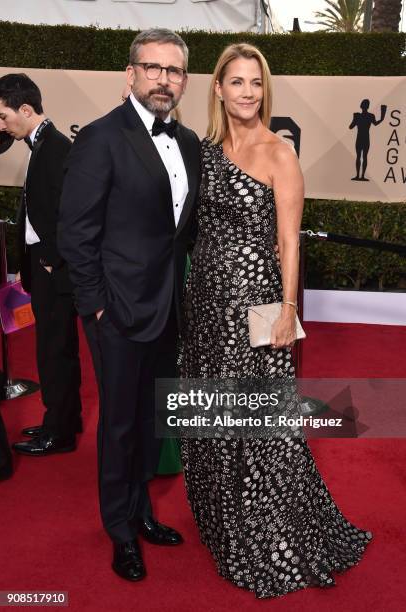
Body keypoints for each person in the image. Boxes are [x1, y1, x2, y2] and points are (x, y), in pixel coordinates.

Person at [179, 43, 372, 599]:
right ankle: (224, 523)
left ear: (265, 91)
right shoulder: (205, 149)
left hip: (260, 306)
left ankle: (270, 535)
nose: (246, 92)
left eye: (255, 83)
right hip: (207, 304)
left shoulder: (278, 153)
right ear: (217, 88)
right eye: (236, 82)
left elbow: (289, 242)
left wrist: (288, 310)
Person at [58, 29, 201, 581]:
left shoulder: (187, 142)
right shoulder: (100, 137)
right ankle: (119, 530)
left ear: (184, 80)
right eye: (153, 68)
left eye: (174, 71)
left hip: (167, 308)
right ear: (131, 73)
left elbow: (179, 233)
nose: (164, 79)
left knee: (151, 419)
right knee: (118, 424)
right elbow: (76, 232)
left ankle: (142, 513)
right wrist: (96, 307)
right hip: (116, 312)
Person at [0, 73, 82, 456]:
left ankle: (60, 431)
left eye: (3, 116)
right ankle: (64, 419)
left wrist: (51, 259)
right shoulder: (43, 145)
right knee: (54, 347)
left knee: (54, 350)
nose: (1, 125)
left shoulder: (55, 149)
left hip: (54, 268)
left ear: (26, 109)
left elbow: (71, 213)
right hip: (44, 265)